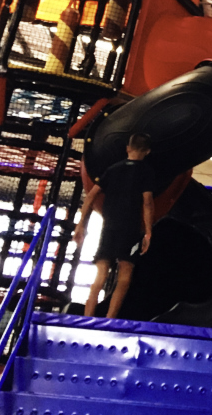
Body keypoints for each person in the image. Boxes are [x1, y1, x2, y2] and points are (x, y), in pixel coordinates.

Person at [74, 132, 153, 320]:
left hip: (109, 226)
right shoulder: (147, 172)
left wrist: (81, 223)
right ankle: (110, 318)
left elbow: (91, 195)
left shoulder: (113, 169)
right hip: (130, 229)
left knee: (101, 272)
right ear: (148, 151)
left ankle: (88, 315)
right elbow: (147, 203)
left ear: (127, 148)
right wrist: (149, 232)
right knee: (125, 275)